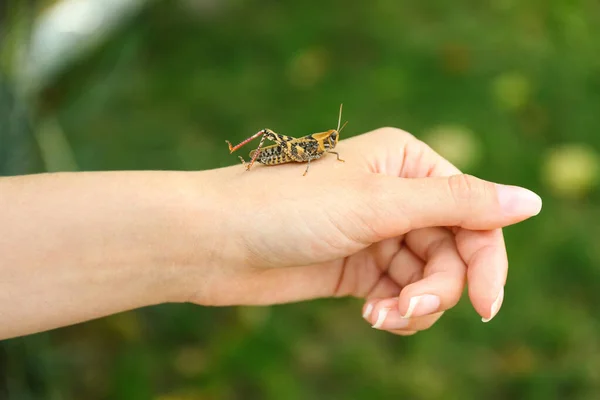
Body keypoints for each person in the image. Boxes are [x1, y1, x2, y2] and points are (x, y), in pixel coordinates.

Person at [0, 127, 542, 340]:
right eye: (330, 139)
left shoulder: (326, 150)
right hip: (282, 153)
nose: (331, 143)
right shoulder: (310, 151)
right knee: (273, 142)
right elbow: (306, 157)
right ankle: (245, 155)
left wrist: (221, 233)